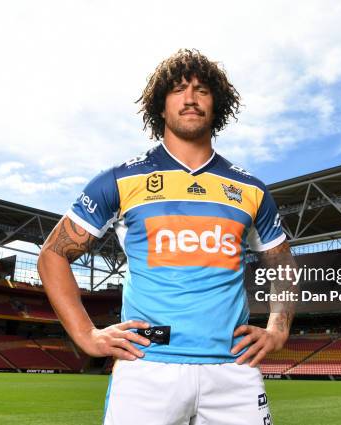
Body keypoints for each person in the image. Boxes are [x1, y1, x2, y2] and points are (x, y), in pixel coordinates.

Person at [38, 48, 296, 425]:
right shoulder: (120, 180)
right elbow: (53, 255)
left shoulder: (251, 188)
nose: (190, 98)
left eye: (201, 90)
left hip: (234, 370)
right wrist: (87, 335)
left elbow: (283, 262)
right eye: (178, 89)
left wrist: (278, 329)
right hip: (147, 367)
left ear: (216, 103)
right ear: (161, 105)